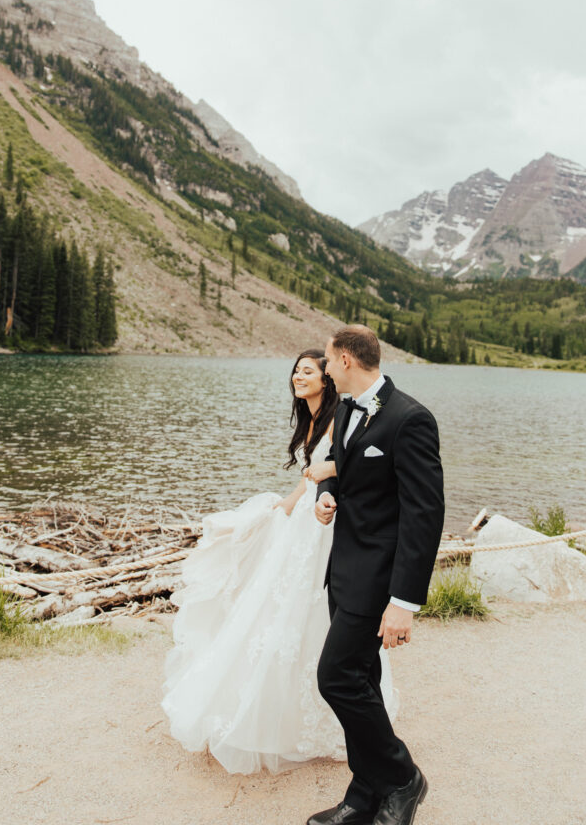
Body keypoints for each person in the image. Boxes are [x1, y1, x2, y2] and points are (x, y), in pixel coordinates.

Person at [161, 348, 398, 774]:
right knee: (276, 608)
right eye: (296, 371)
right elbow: (308, 478)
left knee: (309, 612)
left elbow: (348, 469)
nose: (298, 376)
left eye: (309, 370)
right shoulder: (310, 419)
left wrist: (319, 487)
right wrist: (284, 506)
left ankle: (338, 715)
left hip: (325, 528)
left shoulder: (338, 417)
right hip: (306, 518)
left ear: (328, 376)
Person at [308, 326, 444, 825]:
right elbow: (355, 478)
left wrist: (403, 602)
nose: (324, 369)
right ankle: (365, 792)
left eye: (327, 360)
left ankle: (403, 778)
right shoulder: (345, 409)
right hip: (341, 572)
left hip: (378, 580)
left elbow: (424, 515)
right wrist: (329, 499)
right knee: (360, 678)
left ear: (346, 359)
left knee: (336, 678)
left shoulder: (410, 419)